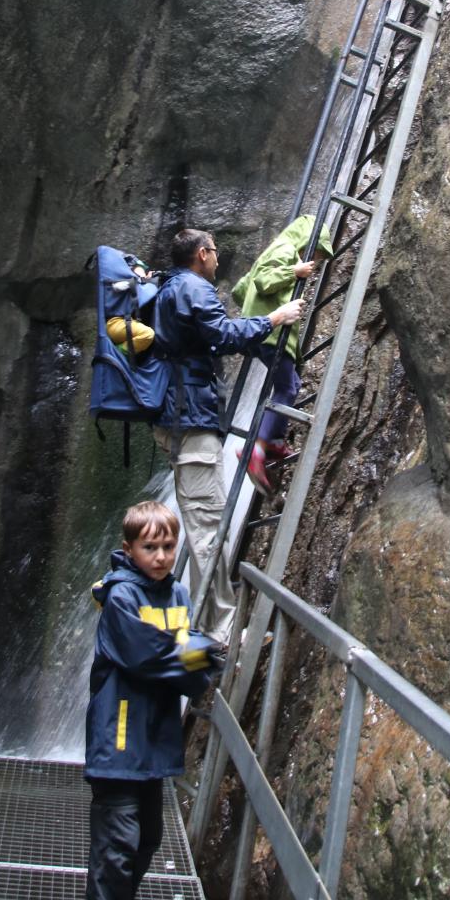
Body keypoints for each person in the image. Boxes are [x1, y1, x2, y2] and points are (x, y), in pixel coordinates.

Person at [151, 228, 304, 646]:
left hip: (179, 418)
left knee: (203, 523)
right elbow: (222, 335)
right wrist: (274, 319)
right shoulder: (193, 288)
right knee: (207, 527)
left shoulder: (169, 287)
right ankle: (218, 633)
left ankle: (207, 622)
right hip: (189, 422)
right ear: (203, 254)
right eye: (215, 252)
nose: (218, 260)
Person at [83, 500, 217, 900]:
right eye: (150, 547)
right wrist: (204, 653)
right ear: (129, 549)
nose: (161, 557)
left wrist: (196, 659)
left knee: (148, 840)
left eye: (169, 547)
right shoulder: (121, 597)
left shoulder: (177, 593)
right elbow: (148, 654)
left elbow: (182, 659)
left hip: (156, 739)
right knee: (117, 844)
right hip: (119, 739)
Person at [231, 215, 333, 493]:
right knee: (287, 387)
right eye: (317, 253)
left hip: (262, 331)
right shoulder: (286, 249)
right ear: (307, 241)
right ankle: (256, 449)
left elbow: (241, 289)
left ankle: (273, 441)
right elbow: (263, 281)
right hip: (272, 332)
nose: (316, 261)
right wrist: (294, 272)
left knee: (290, 384)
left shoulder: (277, 249)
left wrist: (252, 309)